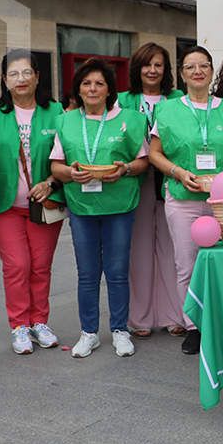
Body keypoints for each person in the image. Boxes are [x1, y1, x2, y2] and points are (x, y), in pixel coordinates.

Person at [149, 45, 223, 354]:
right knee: (186, 266)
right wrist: (178, 173)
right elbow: (154, 152)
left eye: (203, 66)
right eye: (190, 67)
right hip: (183, 197)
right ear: (182, 74)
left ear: (211, 71)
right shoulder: (167, 110)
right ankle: (194, 326)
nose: (197, 72)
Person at [50, 58, 149, 358]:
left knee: (118, 271)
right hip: (82, 206)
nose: (92, 88)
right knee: (87, 273)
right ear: (78, 90)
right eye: (86, 83)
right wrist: (71, 173)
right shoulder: (65, 120)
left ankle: (120, 329)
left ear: (109, 91)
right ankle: (89, 332)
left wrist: (125, 169)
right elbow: (56, 166)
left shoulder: (129, 119)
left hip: (119, 204)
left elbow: (143, 161)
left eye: (99, 84)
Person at [0, 49, 65, 355]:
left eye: (26, 72)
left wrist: (51, 183)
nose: (20, 79)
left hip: (46, 204)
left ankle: (39, 321)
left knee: (41, 266)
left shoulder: (56, 112)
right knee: (17, 265)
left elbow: (68, 154)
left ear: (38, 76)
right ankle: (19, 326)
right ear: (4, 79)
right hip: (4, 205)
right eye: (13, 74)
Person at [116, 43, 184, 340]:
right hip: (135, 179)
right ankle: (139, 317)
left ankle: (175, 314)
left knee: (173, 249)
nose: (152, 70)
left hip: (173, 177)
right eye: (147, 65)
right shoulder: (121, 100)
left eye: (158, 65)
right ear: (137, 68)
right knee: (139, 248)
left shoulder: (179, 99)